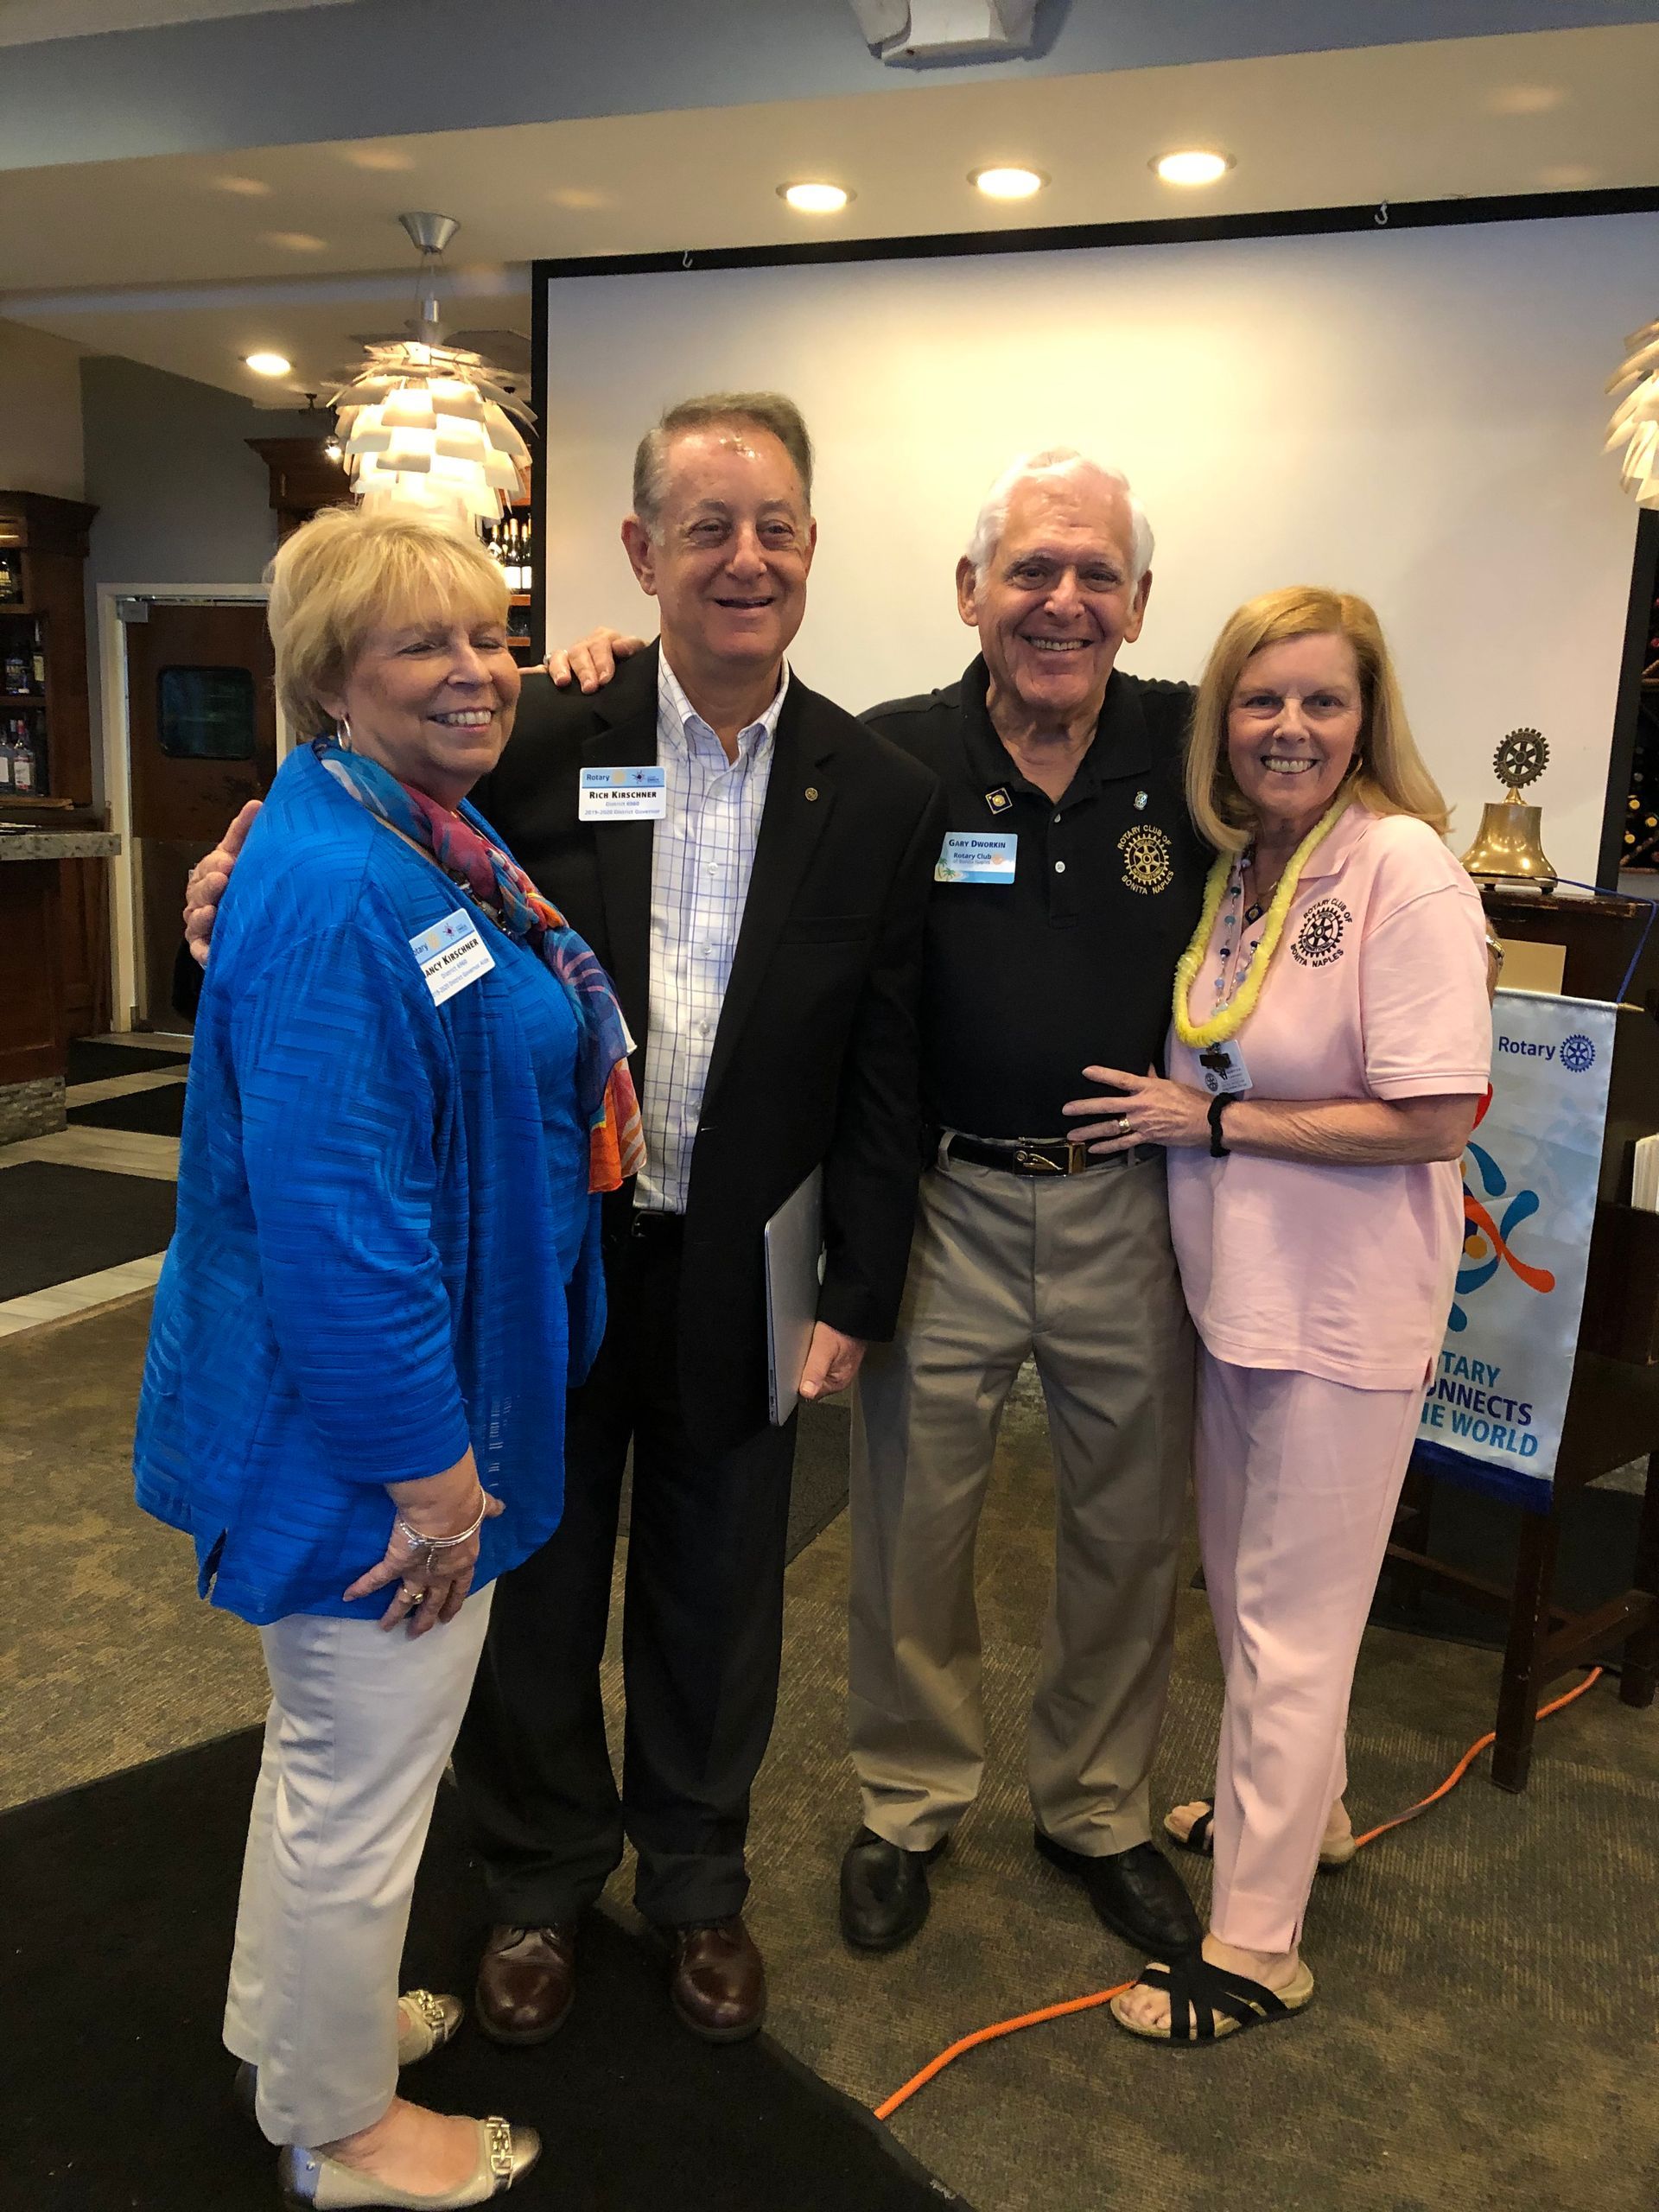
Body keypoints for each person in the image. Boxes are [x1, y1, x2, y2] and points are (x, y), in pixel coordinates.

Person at [185, 392, 944, 2049]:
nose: (745, 561)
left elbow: (888, 1069)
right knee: (528, 1577)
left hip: (748, 1267)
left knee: (720, 1585)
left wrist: (858, 1289)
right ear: (639, 555)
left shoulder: (873, 792)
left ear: (813, 549)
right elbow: (353, 822)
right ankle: (535, 1881)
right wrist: (227, 873)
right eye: (707, 530)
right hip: (540, 1264)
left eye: (777, 530)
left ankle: (694, 1879)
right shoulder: (534, 736)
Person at [543, 449, 1212, 1964]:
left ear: (1141, 602)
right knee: (911, 1527)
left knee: (1124, 1534)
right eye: (1030, 571)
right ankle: (908, 1803)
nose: (1061, 601)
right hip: (945, 1199)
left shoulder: (1192, 753)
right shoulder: (893, 765)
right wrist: (586, 654)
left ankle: (1096, 1807)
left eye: (1096, 575)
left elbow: (1336, 756)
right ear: (969, 590)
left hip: (1129, 1209)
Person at [138, 505, 639, 2205]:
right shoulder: (348, 879)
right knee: (363, 1791)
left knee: (330, 1770)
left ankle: (302, 2040)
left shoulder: (406, 836)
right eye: (421, 641)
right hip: (369, 1454)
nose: (475, 668)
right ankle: (343, 2130)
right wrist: (435, 1487)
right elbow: (346, 1238)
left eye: (488, 632)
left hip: (388, 1423)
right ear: (330, 672)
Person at [1064, 585, 1491, 2045]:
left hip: (1341, 1312)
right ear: (1221, 724)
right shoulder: (1247, 867)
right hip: (1237, 1301)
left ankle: (1256, 1950)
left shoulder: (1407, 868)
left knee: (1292, 1622)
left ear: (1369, 714)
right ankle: (1310, 1815)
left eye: (1322, 699)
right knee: (1252, 1597)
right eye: (1262, 700)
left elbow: (1436, 1116)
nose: (1290, 727)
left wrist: (1222, 1126)